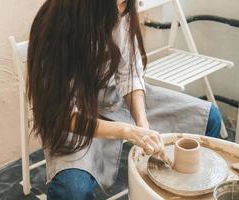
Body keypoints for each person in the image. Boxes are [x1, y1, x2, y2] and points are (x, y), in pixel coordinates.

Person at [26, 0, 222, 199]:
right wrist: (127, 130)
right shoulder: (54, 29)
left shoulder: (121, 8)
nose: (123, 8)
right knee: (72, 190)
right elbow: (61, 115)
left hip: (111, 94)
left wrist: (142, 123)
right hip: (71, 117)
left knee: (210, 118)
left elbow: (129, 74)